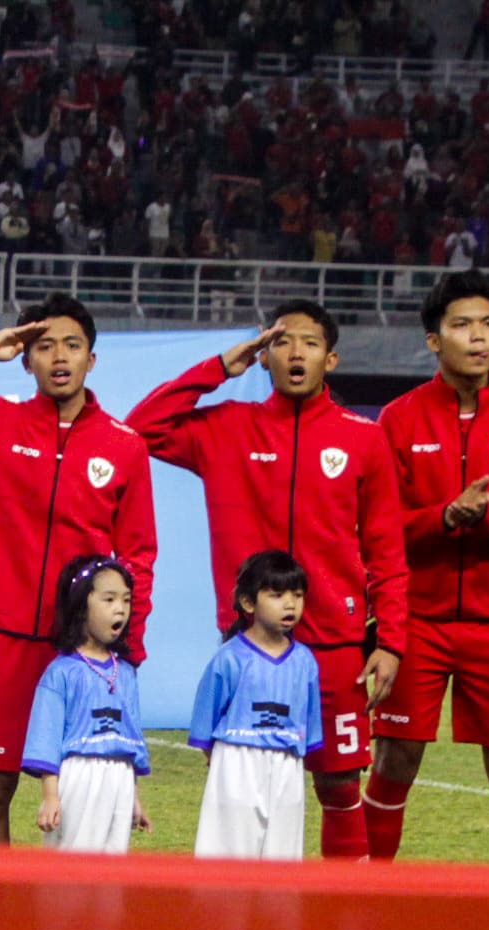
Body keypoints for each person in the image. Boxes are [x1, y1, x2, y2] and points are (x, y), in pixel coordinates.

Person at [131, 299, 403, 857]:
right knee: (243, 787)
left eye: (308, 342)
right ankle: (247, 917)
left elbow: (386, 549)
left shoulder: (363, 437)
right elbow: (142, 428)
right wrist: (217, 369)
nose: (295, 352)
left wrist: (392, 639)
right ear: (263, 357)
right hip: (249, 649)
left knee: (338, 786)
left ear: (331, 359)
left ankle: (340, 913)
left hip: (335, 645)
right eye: (281, 342)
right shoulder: (226, 427)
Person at [0, 296, 157, 845]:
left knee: (82, 787)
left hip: (80, 650)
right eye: (42, 346)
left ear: (92, 359)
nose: (58, 357)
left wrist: (126, 638)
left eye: (72, 345)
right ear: (25, 358)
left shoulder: (124, 446)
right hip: (7, 640)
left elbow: (138, 555)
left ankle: (68, 914)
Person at [376, 271, 489, 863]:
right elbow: (381, 530)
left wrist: (487, 519)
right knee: (396, 757)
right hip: (417, 622)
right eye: (462, 326)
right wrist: (445, 518)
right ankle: (367, 893)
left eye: (488, 324)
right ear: (435, 340)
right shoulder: (398, 419)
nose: (478, 338)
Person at [187, 549, 323, 861]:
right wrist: (221, 761)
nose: (290, 604)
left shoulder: (305, 661)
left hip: (287, 765)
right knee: (228, 855)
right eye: (276, 595)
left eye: (297, 595)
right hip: (237, 761)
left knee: (283, 858)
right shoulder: (230, 658)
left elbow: (310, 723)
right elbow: (207, 719)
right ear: (248, 603)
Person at [25, 557, 151, 855]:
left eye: (126, 600)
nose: (120, 608)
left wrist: (133, 798)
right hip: (79, 779)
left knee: (111, 869)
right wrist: (51, 796)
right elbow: (46, 737)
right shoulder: (62, 672)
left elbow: (129, 739)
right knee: (72, 866)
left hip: (119, 780)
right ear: (81, 607)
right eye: (109, 599)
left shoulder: (126, 673)